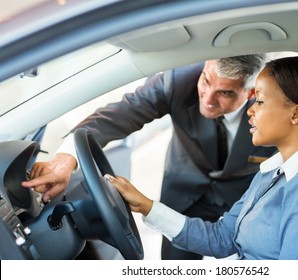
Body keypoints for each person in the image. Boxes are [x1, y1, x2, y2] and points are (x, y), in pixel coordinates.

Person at [105, 55, 298, 259]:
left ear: (296, 114)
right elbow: (223, 238)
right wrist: (145, 206)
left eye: (260, 102)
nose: (250, 111)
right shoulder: (274, 172)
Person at [21, 54, 277, 260]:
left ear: (251, 93)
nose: (208, 100)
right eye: (206, 80)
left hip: (241, 202)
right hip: (184, 194)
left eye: (226, 93)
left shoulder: (277, 110)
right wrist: (66, 158)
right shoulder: (179, 80)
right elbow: (120, 114)